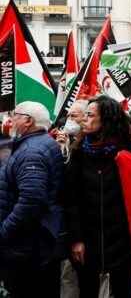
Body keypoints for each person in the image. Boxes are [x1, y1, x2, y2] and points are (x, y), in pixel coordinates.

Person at [64, 96, 131, 297]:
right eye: (85, 115)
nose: (84, 120)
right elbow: (71, 200)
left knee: (122, 288)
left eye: (90, 115)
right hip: (88, 239)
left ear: (106, 119)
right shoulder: (79, 153)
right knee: (87, 289)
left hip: (122, 240)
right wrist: (76, 239)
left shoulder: (129, 154)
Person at [0, 102, 64, 297]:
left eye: (16, 115)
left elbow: (31, 200)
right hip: (33, 242)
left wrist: (4, 230)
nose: (11, 120)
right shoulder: (38, 144)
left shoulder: (31, 152)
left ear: (28, 121)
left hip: (26, 245)